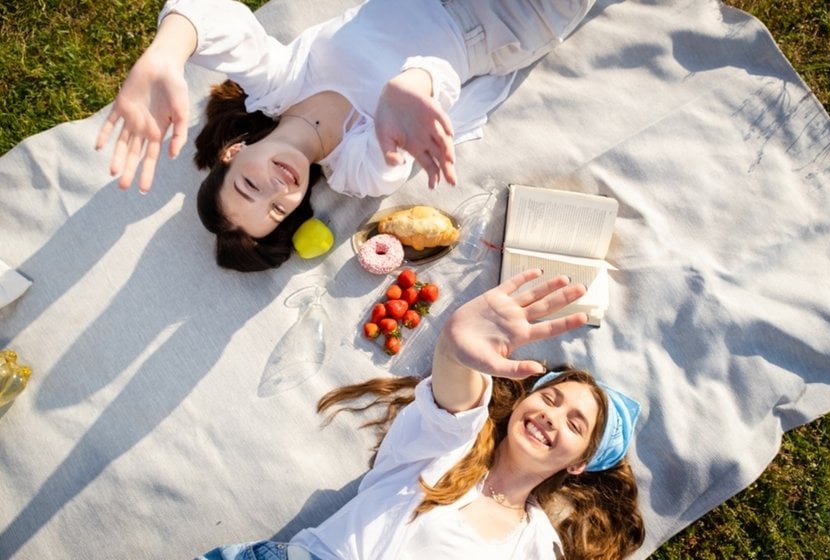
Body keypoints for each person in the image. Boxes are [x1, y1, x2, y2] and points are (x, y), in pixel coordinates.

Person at [96, 0, 597, 271]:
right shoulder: (356, 171)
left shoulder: (276, 82)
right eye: (277, 211)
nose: (278, 190)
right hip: (508, 20)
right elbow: (431, 93)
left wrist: (165, 53)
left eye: (250, 186)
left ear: (234, 150)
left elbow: (212, 17)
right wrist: (408, 88)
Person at [196, 270, 646, 559]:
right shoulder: (452, 447)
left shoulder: (535, 548)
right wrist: (454, 346)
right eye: (551, 399)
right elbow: (455, 394)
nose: (553, 416)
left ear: (578, 463)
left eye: (574, 424)